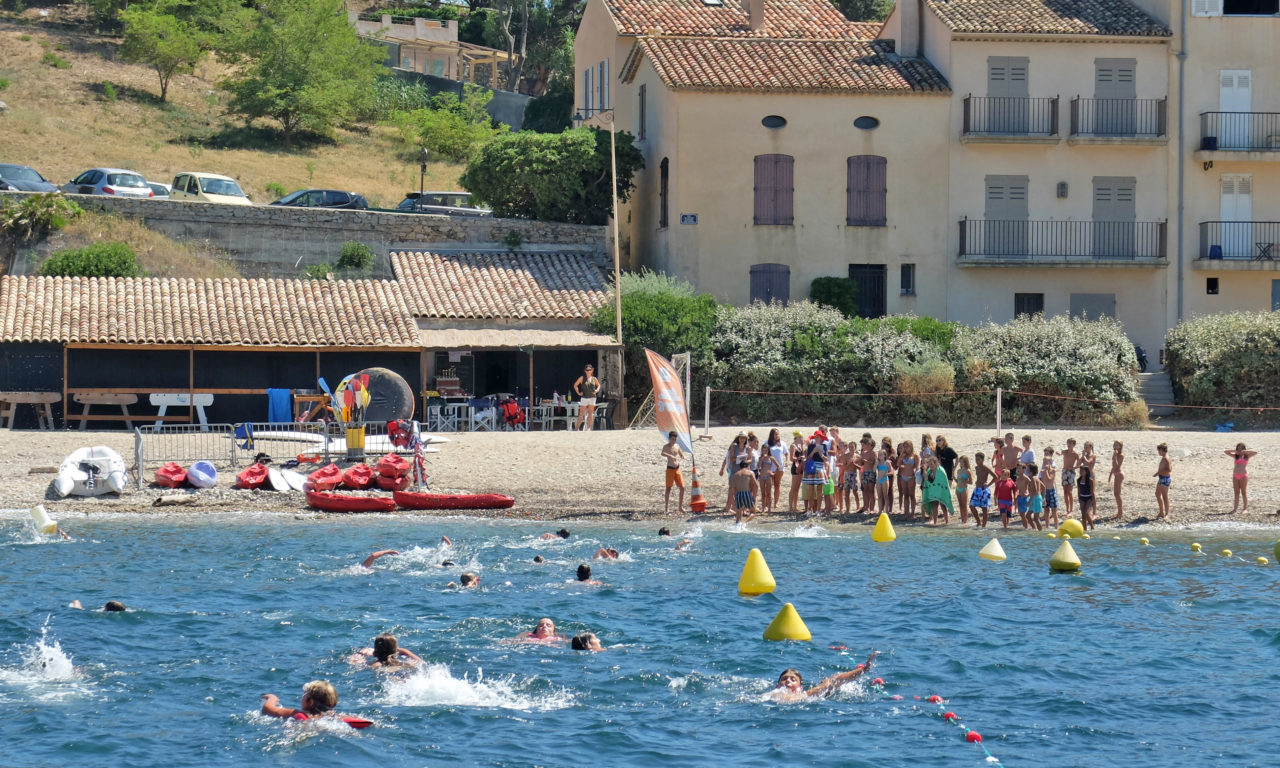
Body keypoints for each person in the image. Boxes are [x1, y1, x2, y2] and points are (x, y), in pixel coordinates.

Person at [769, 652, 877, 702]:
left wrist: (863, 670)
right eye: (784, 679)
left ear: (800, 687)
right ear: (777, 685)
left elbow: (835, 680)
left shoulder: (804, 696)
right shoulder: (770, 695)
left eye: (793, 679)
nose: (788, 680)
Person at [261, 680, 339, 721]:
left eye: (304, 694)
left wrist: (272, 698)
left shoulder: (299, 714)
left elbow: (267, 709)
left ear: (310, 702)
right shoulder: (335, 717)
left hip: (303, 724)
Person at [352, 633, 423, 669]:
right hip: (403, 668)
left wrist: (359, 654)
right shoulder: (402, 654)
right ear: (396, 648)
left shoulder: (374, 665)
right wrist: (408, 665)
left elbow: (352, 661)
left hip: (385, 672)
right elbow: (422, 662)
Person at [660, 430, 687, 515]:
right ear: (669, 438)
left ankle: (680, 507)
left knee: (682, 487)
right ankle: (667, 508)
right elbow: (662, 453)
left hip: (677, 468)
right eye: (672, 439)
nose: (673, 441)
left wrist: (683, 456)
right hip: (670, 469)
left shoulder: (677, 445)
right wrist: (670, 456)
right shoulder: (666, 446)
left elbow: (680, 452)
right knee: (668, 488)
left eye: (675, 439)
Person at [1226, 443, 1257, 514]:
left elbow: (1255, 452)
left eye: (1241, 449)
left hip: (1243, 475)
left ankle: (1245, 509)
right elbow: (1226, 452)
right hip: (1235, 475)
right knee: (1236, 492)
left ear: (1244, 449)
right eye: (1238, 448)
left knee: (1244, 492)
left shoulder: (1247, 456)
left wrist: (1245, 452)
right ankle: (1235, 509)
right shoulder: (1235, 456)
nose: (1240, 450)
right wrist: (1235, 451)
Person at [920, 456, 952, 526]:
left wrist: (940, 491)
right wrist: (925, 470)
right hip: (934, 492)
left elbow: (943, 482)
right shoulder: (929, 471)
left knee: (943, 505)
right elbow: (926, 479)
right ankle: (935, 522)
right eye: (929, 464)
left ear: (936, 463)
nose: (930, 466)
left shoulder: (941, 471)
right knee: (934, 505)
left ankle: (947, 522)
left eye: (932, 464)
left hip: (941, 491)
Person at [573, 364, 601, 431]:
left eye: (590, 370)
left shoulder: (594, 379)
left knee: (590, 413)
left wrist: (597, 390)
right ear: (585, 371)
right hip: (584, 397)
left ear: (592, 370)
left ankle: (589, 428)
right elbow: (575, 385)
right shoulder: (582, 378)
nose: (588, 371)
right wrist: (578, 393)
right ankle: (577, 428)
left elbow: (599, 385)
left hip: (592, 397)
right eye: (587, 370)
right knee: (581, 414)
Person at [766, 428, 787, 510]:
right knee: (769, 485)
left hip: (780, 467)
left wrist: (787, 461)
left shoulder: (782, 443)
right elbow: (764, 454)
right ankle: (768, 503)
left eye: (778, 434)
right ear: (772, 435)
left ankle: (776, 503)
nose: (777, 435)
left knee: (777, 485)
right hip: (770, 467)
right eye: (775, 434)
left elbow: (786, 453)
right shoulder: (767, 443)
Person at [970, 452, 993, 528]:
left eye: (978, 459)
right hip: (977, 488)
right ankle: (979, 522)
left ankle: (984, 525)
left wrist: (988, 484)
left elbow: (996, 477)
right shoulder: (976, 468)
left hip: (984, 489)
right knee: (971, 506)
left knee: (984, 508)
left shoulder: (985, 467)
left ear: (982, 460)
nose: (977, 461)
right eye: (976, 459)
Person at [897, 440, 917, 521]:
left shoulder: (915, 456)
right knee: (905, 495)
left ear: (911, 446)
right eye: (904, 446)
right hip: (903, 476)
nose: (905, 448)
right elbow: (898, 464)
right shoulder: (904, 456)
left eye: (907, 446)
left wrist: (914, 472)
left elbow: (917, 466)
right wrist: (901, 454)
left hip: (911, 477)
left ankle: (912, 513)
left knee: (912, 495)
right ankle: (906, 512)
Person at [1060, 438, 1079, 518]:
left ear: (1074, 445)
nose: (1068, 445)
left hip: (1071, 473)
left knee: (1070, 491)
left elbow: (1079, 463)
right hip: (1064, 471)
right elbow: (1060, 453)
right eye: (1068, 443)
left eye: (1070, 444)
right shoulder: (1065, 452)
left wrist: (1073, 468)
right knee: (1065, 491)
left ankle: (1071, 510)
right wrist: (1059, 453)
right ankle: (1067, 509)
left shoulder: (1075, 454)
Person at [787, 430, 805, 513]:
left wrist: (802, 445)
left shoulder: (800, 446)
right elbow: (791, 458)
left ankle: (795, 506)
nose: (802, 439)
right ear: (797, 437)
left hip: (800, 467)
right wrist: (798, 458)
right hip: (795, 467)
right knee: (793, 488)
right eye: (801, 437)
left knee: (797, 488)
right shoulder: (793, 446)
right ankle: (790, 507)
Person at [1041, 447, 1059, 530]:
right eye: (1044, 462)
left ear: (1050, 462)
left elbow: (1050, 479)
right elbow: (1042, 482)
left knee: (1054, 510)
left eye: (1046, 462)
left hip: (1051, 491)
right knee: (1046, 510)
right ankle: (1047, 527)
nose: (1045, 464)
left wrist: (1047, 471)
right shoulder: (1042, 471)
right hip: (1045, 491)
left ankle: (1056, 527)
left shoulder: (1052, 471)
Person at [1108, 441, 1126, 521]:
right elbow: (1113, 466)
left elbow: (1117, 465)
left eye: (1117, 445)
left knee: (1117, 494)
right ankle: (1119, 512)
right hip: (1115, 473)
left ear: (1120, 447)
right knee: (1116, 494)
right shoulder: (1115, 454)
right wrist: (1110, 475)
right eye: (1114, 444)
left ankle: (1120, 513)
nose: (1115, 446)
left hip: (1119, 474)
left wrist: (1115, 456)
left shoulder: (1121, 455)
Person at [1024, 464, 1044, 531]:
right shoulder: (1036, 477)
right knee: (1028, 516)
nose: (1026, 470)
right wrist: (1043, 498)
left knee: (1036, 518)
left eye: (1028, 468)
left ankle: (1040, 532)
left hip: (1035, 498)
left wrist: (1030, 501)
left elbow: (1035, 490)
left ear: (1031, 471)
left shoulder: (1033, 478)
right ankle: (1035, 530)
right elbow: (1043, 487)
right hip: (1036, 498)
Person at [1154, 443, 1172, 521]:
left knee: (1165, 496)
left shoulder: (1166, 458)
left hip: (1165, 478)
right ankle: (1161, 511)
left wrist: (1158, 472)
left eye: (1158, 451)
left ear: (1161, 450)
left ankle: (1167, 514)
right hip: (1161, 478)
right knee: (1157, 494)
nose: (1158, 452)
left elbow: (1169, 470)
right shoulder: (1165, 457)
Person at [953, 455, 972, 525]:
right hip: (958, 488)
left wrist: (965, 481)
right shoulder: (958, 471)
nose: (961, 463)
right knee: (960, 505)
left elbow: (971, 482)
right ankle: (962, 520)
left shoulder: (968, 471)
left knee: (964, 505)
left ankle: (965, 520)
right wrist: (954, 477)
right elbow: (957, 481)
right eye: (960, 462)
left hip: (964, 489)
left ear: (965, 462)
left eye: (962, 462)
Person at [1077, 465, 1097, 530]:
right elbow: (1079, 490)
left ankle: (1092, 526)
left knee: (1086, 513)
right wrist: (1079, 498)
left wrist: (1093, 501)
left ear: (1086, 471)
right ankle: (1084, 529)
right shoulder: (1079, 480)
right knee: (1083, 514)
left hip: (1089, 498)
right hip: (1082, 497)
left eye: (1082, 470)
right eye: (1080, 470)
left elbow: (1092, 491)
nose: (1080, 472)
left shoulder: (1090, 480)